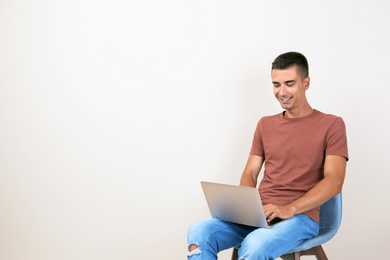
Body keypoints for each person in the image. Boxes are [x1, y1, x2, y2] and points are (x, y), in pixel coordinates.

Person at [187, 51, 348, 260]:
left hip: (300, 218)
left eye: (289, 83)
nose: (282, 92)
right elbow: (250, 173)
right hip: (260, 215)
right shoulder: (265, 124)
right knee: (199, 233)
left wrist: (289, 209)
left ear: (306, 83)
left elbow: (335, 181)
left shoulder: (332, 124)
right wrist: (246, 209)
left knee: (255, 245)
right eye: (276, 84)